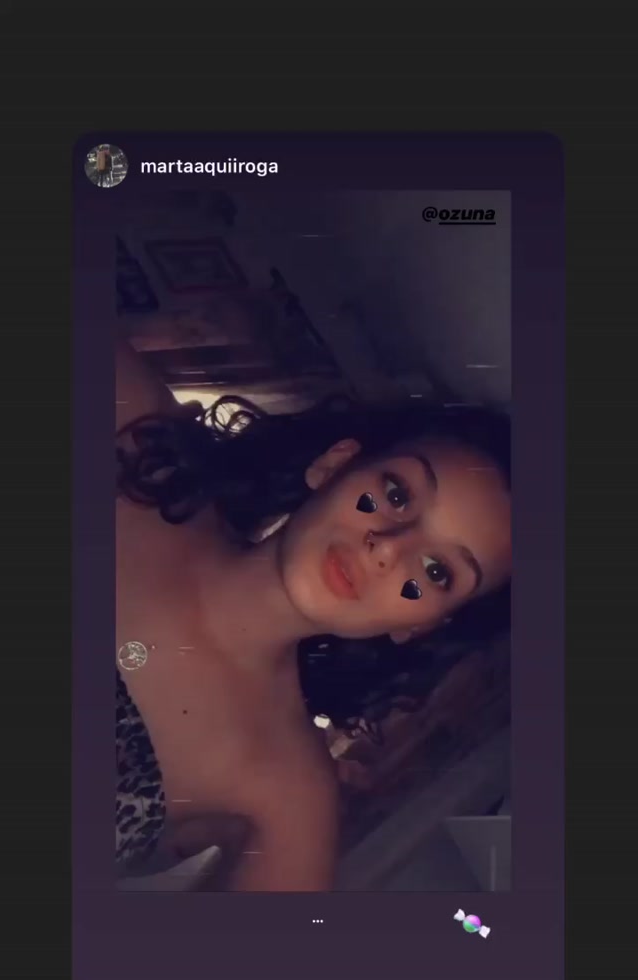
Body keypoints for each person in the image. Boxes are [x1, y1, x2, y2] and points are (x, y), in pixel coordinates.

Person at [116, 339, 511, 891]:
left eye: (437, 571)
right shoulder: (139, 440)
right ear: (336, 465)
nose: (387, 547)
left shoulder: (286, 796)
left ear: (419, 625)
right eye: (397, 494)